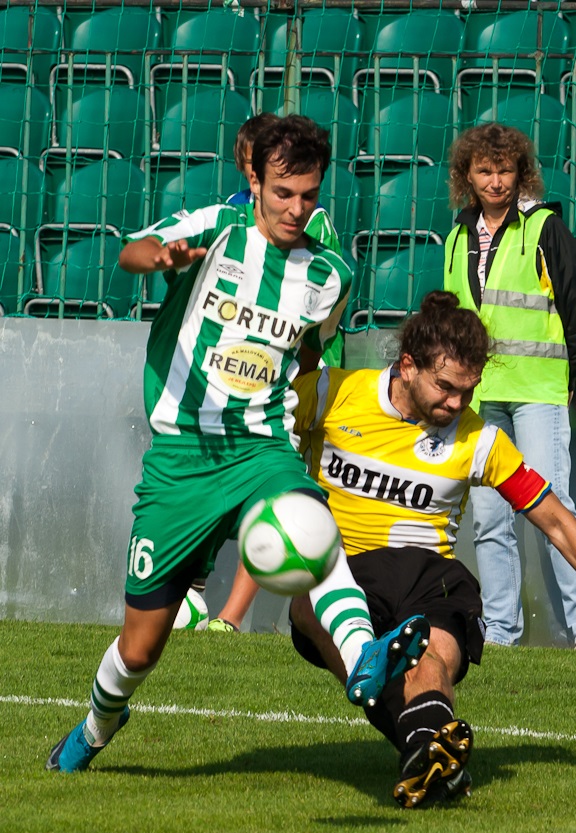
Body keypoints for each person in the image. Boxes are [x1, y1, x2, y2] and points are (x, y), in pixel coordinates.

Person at [45, 115, 428, 773]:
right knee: (140, 650)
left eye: (309, 195)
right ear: (255, 180)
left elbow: (309, 350)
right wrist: (161, 260)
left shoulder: (330, 273)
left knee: (313, 526)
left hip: (260, 446)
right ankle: (96, 727)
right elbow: (130, 251)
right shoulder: (213, 232)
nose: (296, 208)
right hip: (181, 458)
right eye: (283, 192)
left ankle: (364, 651)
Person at [288, 291, 576, 808]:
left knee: (432, 665)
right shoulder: (331, 395)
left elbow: (557, 522)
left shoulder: (482, 441)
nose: (457, 404)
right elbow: (247, 435)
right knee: (306, 605)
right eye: (445, 387)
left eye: (469, 391)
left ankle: (425, 758)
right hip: (344, 574)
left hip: (430, 578)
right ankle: (428, 748)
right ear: (407, 365)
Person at [444, 123, 576, 652]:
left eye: (505, 170)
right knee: (490, 518)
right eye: (484, 171)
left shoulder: (545, 228)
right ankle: (500, 632)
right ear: (467, 176)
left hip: (538, 392)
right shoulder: (455, 234)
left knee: (554, 506)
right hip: (479, 396)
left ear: (522, 174)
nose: (495, 181)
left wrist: (563, 378)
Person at [207, 112, 347, 634]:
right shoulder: (225, 220)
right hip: (222, 387)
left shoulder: (317, 225)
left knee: (281, 500)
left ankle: (233, 616)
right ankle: (193, 594)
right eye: (254, 165)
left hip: (286, 383)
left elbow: (318, 302)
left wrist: (295, 371)